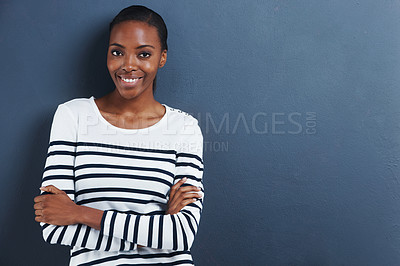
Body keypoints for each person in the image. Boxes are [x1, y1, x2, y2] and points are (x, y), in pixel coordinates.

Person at [33, 5, 204, 265]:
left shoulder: (184, 128)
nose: (128, 65)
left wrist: (80, 213)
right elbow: (54, 225)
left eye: (144, 54)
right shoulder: (73, 116)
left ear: (162, 57)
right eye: (117, 52)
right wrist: (156, 233)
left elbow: (182, 235)